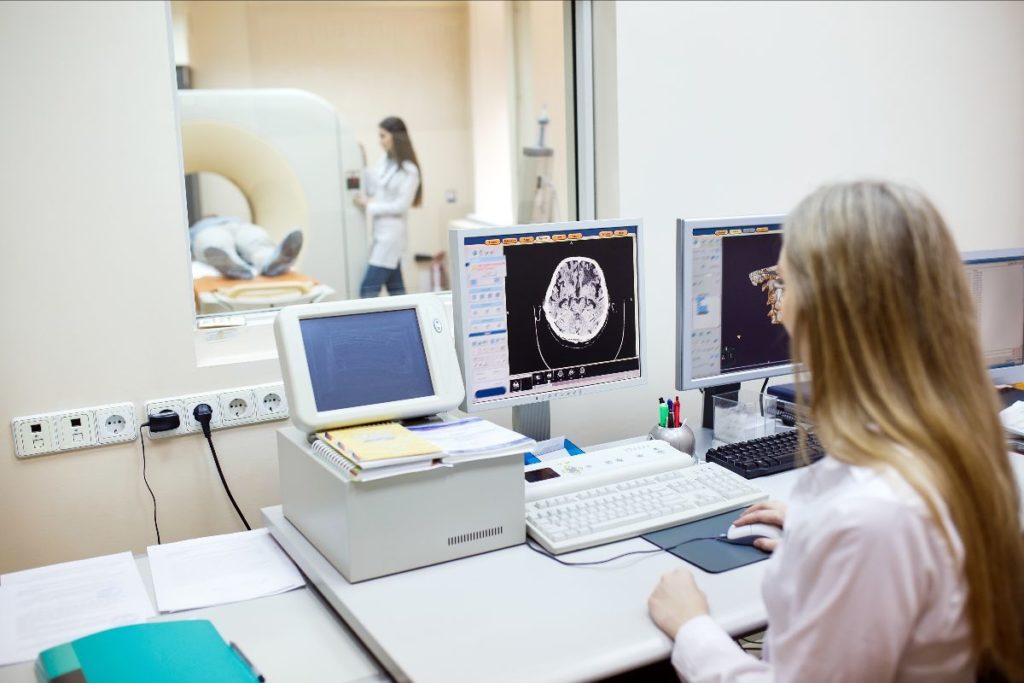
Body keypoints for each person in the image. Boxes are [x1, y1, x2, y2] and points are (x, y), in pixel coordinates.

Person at [648, 181, 1024, 682]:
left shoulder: (868, 521)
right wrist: (820, 550)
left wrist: (692, 626)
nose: (777, 303)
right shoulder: (958, 447)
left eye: (784, 284)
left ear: (831, 312)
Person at [354, 116, 422, 297]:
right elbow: (373, 187)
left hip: (391, 238)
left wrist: (370, 205)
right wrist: (361, 162)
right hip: (380, 234)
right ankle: (408, 323)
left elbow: (401, 206)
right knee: (397, 293)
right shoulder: (385, 160)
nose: (380, 141)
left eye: (383, 136)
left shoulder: (409, 170)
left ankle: (368, 326)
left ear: (396, 137)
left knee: (367, 290)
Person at [190, 216, 303, 279]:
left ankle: (273, 262)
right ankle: (230, 263)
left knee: (256, 240)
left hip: (240, 226)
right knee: (214, 243)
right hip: (208, 230)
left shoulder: (231, 218)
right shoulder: (197, 227)